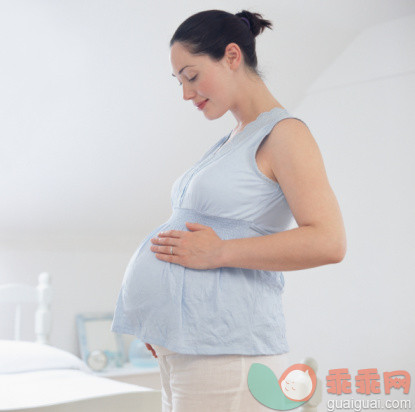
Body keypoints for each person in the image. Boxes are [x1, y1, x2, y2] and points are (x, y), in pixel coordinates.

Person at [111, 9, 346, 412]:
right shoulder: (231, 140)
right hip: (189, 351)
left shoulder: (285, 134)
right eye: (180, 81)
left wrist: (220, 252)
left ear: (232, 56)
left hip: (228, 356)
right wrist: (163, 322)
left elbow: (329, 241)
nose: (186, 93)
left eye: (192, 75)